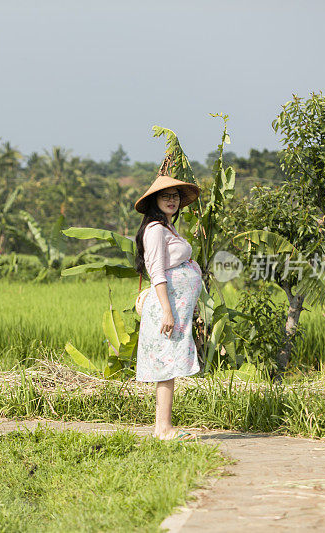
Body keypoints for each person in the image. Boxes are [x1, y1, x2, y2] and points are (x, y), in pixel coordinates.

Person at [133, 160, 202, 441]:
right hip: (166, 310)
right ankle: (163, 429)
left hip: (174, 308)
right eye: (166, 196)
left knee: (170, 365)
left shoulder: (168, 228)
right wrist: (166, 311)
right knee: (166, 366)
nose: (172, 200)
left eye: (175, 196)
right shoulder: (155, 231)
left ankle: (164, 427)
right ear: (155, 201)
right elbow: (157, 272)